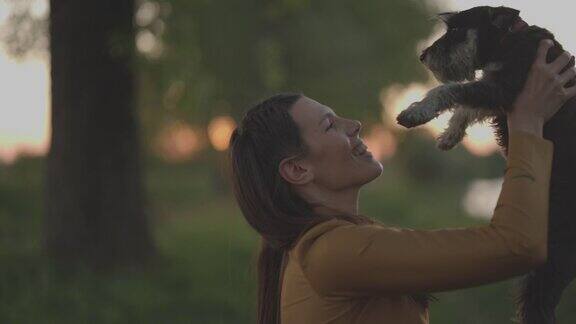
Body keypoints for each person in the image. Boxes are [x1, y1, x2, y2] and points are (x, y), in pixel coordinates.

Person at [227, 39, 576, 324]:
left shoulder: (331, 248)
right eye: (330, 125)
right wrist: (527, 121)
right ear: (298, 170)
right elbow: (517, 245)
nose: (354, 125)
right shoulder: (334, 254)